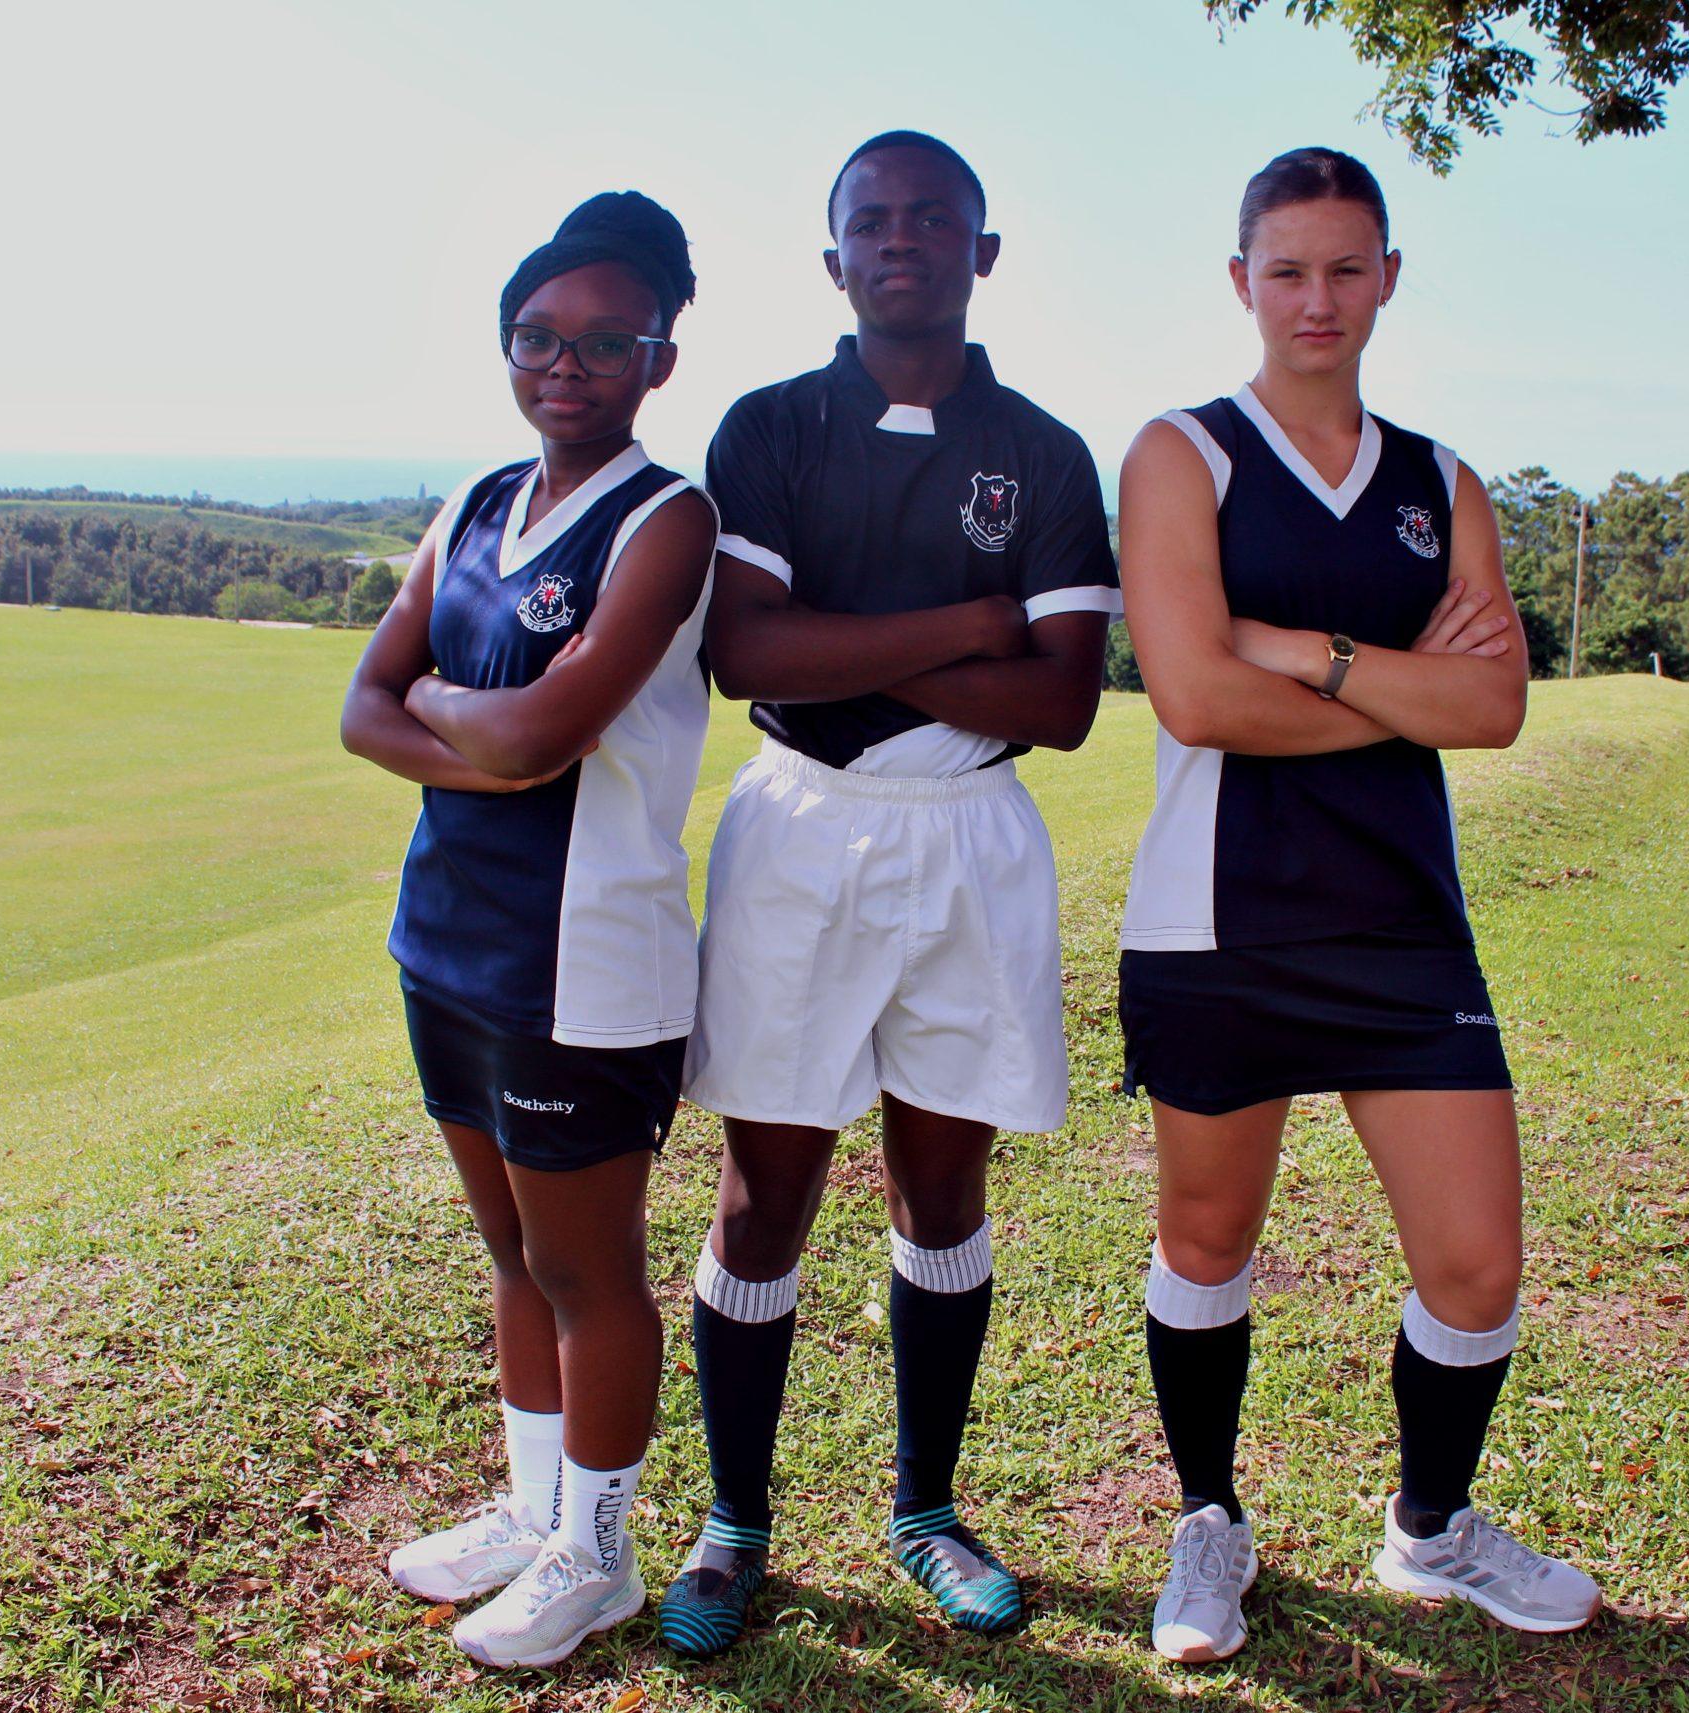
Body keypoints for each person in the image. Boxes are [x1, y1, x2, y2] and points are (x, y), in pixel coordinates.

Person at [1113, 146, 1602, 1663]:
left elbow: (1496, 708)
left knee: (1476, 1260)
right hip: (1217, 916)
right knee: (1208, 1238)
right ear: (1241, 280)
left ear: (1389, 277)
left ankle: (1431, 1528)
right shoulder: (1181, 454)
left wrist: (1305, 653)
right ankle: (1209, 1520)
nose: (1315, 298)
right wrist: (1404, 695)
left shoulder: (1442, 485)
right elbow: (1195, 699)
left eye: (1345, 268)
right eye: (1286, 269)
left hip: (1399, 921)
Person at [656, 131, 1119, 1657]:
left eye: (933, 218)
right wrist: (970, 623)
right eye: (872, 220)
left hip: (974, 829)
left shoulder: (1044, 454)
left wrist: (855, 636)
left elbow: (1060, 702)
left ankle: (926, 1508)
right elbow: (750, 654)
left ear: (983, 254)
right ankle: (735, 1523)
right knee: (765, 1188)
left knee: (943, 1183)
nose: (901, 238)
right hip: (804, 823)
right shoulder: (773, 428)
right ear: (833, 256)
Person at [337, 191, 717, 1669]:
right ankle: (535, 1504)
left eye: (606, 341)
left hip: (587, 964)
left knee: (586, 1269)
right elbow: (365, 705)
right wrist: (470, 724)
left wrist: (461, 713)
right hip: (447, 939)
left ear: (659, 357)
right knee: (508, 1248)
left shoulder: (666, 520)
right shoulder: (480, 502)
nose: (567, 365)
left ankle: (597, 1555)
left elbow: (549, 734)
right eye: (537, 336)